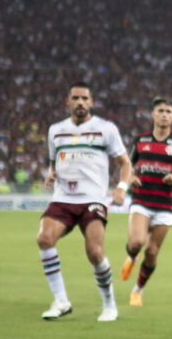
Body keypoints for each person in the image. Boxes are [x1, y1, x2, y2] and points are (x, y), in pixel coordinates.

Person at [37, 82, 131, 322]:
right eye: (75, 98)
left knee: (95, 252)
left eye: (84, 98)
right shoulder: (55, 130)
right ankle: (61, 300)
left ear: (91, 102)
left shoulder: (105, 129)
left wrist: (121, 188)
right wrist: (51, 173)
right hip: (63, 198)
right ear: (67, 101)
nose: (80, 102)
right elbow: (53, 161)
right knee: (44, 239)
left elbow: (125, 163)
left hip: (92, 199)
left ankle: (109, 305)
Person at [120, 97, 172, 307]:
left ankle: (138, 290)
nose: (164, 115)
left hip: (164, 204)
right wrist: (130, 177)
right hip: (142, 200)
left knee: (152, 252)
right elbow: (127, 165)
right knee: (136, 242)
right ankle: (131, 258)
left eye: (168, 112)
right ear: (153, 114)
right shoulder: (141, 141)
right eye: (160, 111)